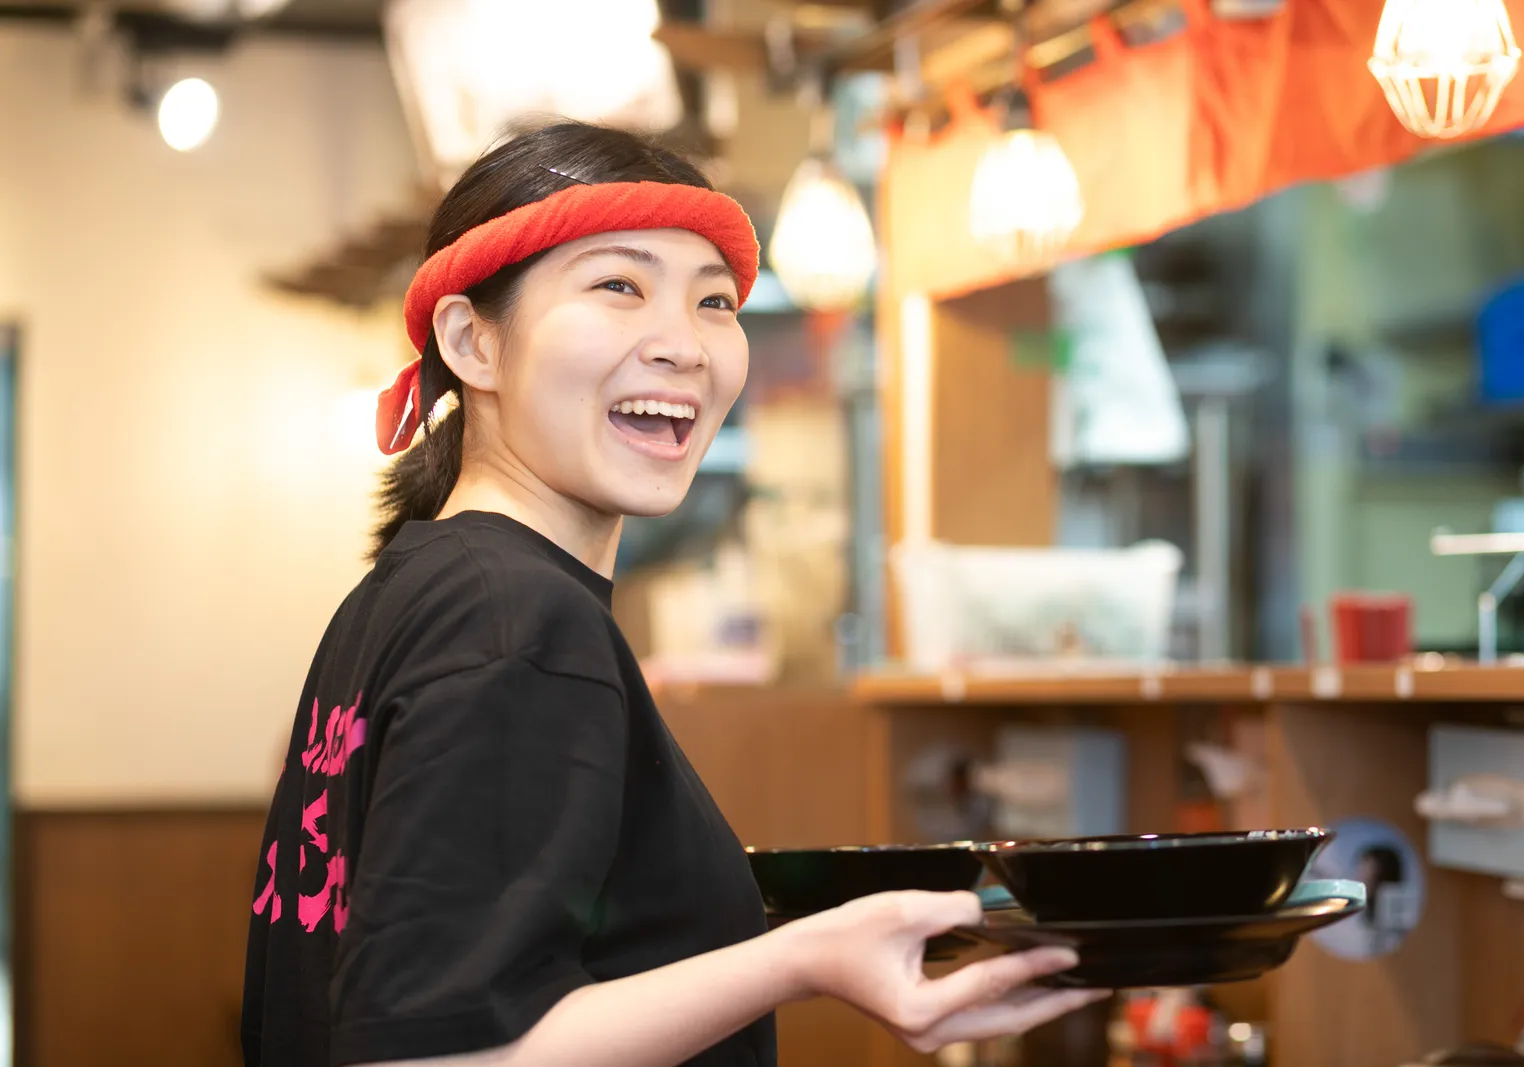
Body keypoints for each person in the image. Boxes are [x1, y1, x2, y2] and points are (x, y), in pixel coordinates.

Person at [240, 119, 1103, 1067]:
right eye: (619, 286)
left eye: (715, 300)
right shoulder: (517, 623)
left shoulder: (414, 593)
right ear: (471, 342)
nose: (685, 345)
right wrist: (802, 959)